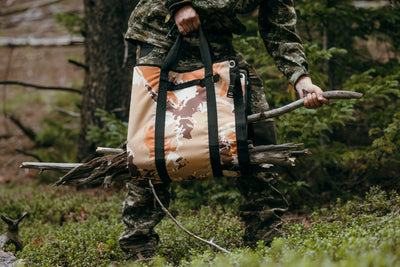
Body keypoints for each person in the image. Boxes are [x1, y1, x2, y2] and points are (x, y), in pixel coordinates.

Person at [119, 0, 330, 263]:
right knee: (153, 138)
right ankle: (138, 243)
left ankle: (265, 234)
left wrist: (301, 77)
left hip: (215, 36)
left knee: (256, 127)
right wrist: (178, 4)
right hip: (161, 29)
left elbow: (279, 25)